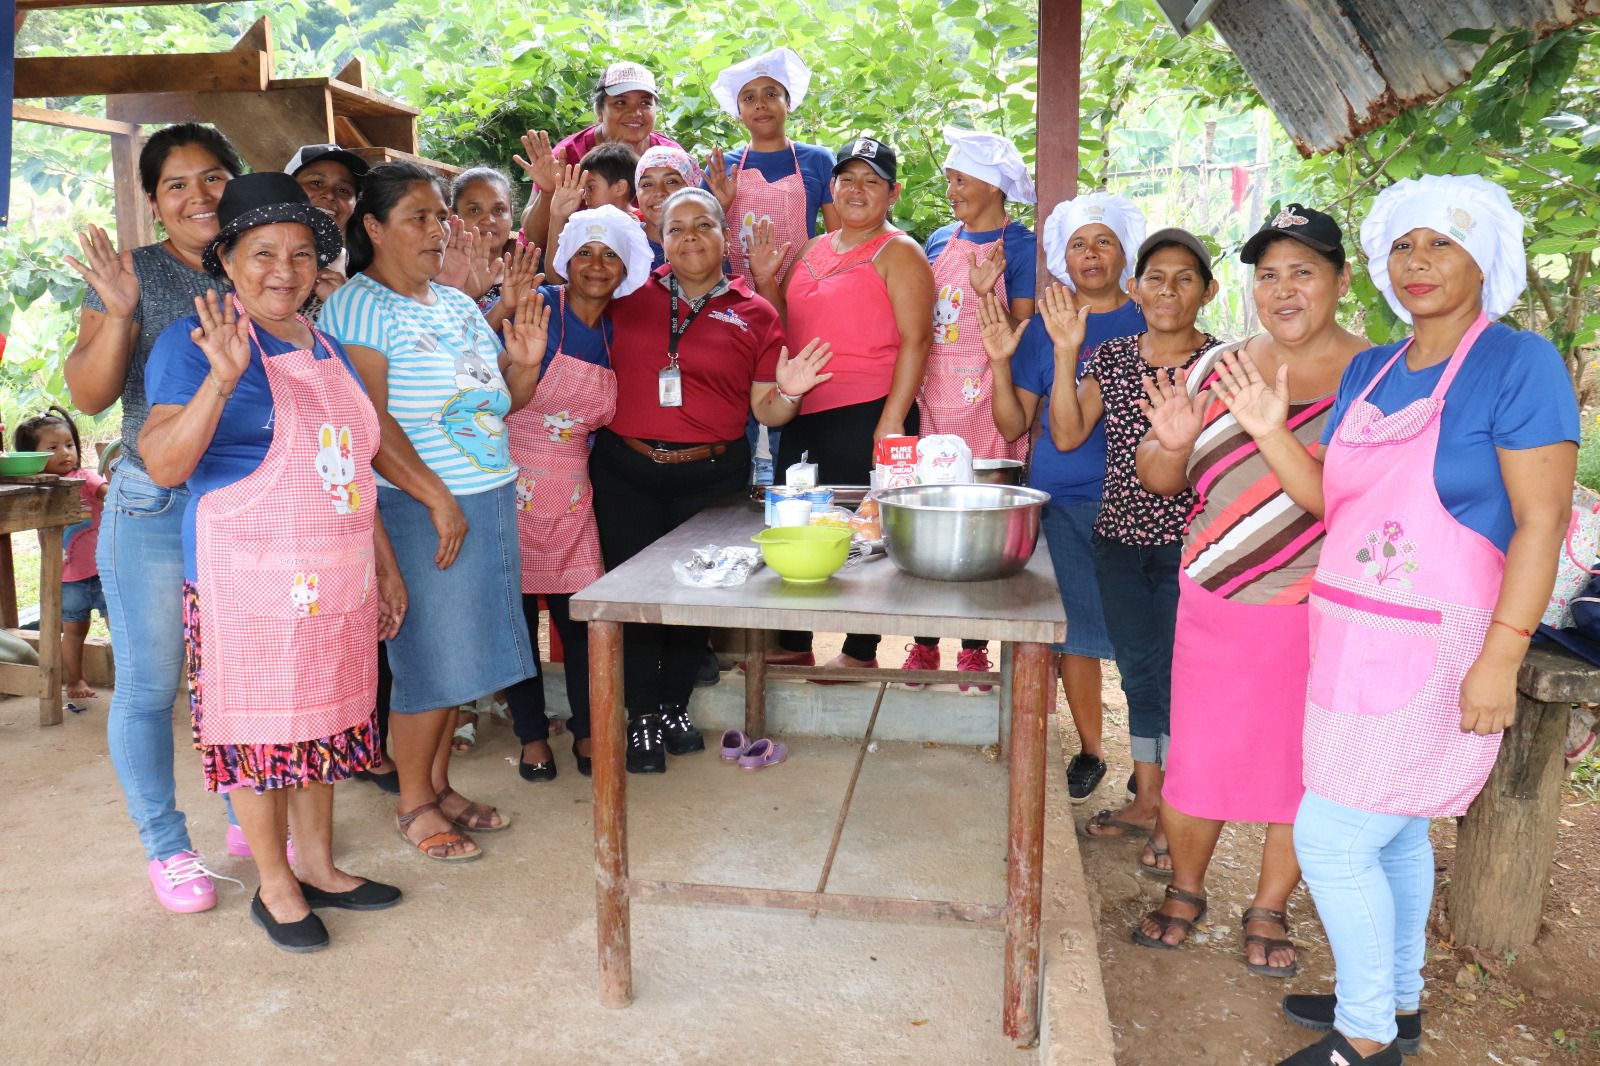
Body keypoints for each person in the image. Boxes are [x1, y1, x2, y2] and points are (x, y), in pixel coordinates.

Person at [1213, 176, 1578, 1066]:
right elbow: (1331, 501)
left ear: (1484, 256)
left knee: (1331, 837)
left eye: (1441, 244)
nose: (1417, 263)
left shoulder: (1517, 364)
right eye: (1403, 246)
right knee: (1398, 827)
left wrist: (1501, 658)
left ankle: (1368, 1035)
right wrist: (1268, 429)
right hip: (1349, 635)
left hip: (1443, 641)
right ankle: (1401, 1000)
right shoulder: (1374, 368)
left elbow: (1542, 522)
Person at [139, 172, 406, 950]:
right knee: (259, 736)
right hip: (247, 581)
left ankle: (320, 864)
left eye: (298, 254)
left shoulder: (324, 343)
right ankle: (277, 883)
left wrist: (384, 565)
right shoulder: (194, 342)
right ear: (227, 259)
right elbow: (164, 463)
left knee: (322, 722)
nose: (281, 270)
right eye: (262, 254)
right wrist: (221, 382)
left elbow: (355, 466)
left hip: (338, 572)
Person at [1128, 205, 1368, 977]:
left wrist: (1273, 430)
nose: (1284, 290)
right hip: (1213, 599)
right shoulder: (1217, 366)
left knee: (1300, 766)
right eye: (1269, 274)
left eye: (1304, 271)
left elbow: (1347, 503)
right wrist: (1167, 447)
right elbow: (1161, 481)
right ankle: (1187, 886)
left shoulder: (1376, 377)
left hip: (1320, 608)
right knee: (1199, 756)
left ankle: (1269, 906)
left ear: (1340, 280)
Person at [320, 161, 549, 861]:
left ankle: (441, 784)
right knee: (427, 660)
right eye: (417, 217)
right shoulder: (357, 306)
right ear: (373, 228)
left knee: (462, 657)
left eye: (439, 216)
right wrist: (435, 496)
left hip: (485, 499)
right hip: (417, 508)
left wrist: (527, 362)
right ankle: (415, 804)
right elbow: (370, 425)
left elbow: (496, 404)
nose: (436, 229)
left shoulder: (451, 304)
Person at [63, 121, 243, 912]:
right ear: (152, 202)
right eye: (177, 184)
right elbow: (91, 395)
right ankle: (168, 848)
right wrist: (122, 313)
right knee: (148, 685)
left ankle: (250, 807)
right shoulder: (127, 274)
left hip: (245, 501)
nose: (199, 195)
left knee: (237, 676)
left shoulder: (267, 261)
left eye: (213, 178)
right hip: (156, 503)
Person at [593, 187, 834, 772]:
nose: (690, 236)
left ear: (727, 239)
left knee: (692, 598)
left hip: (710, 475)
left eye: (704, 224)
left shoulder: (756, 312)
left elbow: (768, 411)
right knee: (636, 597)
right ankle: (642, 716)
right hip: (627, 470)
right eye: (677, 228)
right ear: (659, 239)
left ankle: (674, 704)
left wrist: (792, 391)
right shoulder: (626, 297)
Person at [1033, 228, 1221, 874]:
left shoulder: (1221, 364)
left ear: (1207, 291)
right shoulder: (1111, 357)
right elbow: (1065, 432)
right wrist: (1064, 354)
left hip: (1191, 548)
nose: (1168, 290)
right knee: (1139, 672)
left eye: (1184, 278)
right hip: (1116, 537)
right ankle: (1148, 797)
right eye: (1156, 278)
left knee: (1182, 681)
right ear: (1136, 289)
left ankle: (1179, 809)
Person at [985, 192, 1146, 803]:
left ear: (1125, 251)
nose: (1091, 254)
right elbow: (1010, 426)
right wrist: (1002, 362)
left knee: (1140, 636)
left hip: (1136, 503)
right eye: (1079, 243)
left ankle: (1147, 755)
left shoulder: (1147, 321)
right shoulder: (1042, 327)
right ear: (1062, 255)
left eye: (1103, 241)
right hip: (1061, 501)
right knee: (1074, 633)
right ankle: (1091, 750)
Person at [752, 137, 934, 672]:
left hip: (873, 410)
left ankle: (860, 652)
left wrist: (893, 421)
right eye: (847, 179)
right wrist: (766, 281)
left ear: (893, 193)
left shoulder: (900, 251)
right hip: (806, 414)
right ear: (830, 188)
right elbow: (785, 317)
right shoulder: (811, 249)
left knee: (872, 533)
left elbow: (917, 340)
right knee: (798, 524)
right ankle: (793, 642)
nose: (857, 190)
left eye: (871, 181)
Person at [501, 205, 653, 780]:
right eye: (584, 253)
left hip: (572, 495)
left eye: (609, 254)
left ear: (625, 266)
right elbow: (490, 394)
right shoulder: (541, 308)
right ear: (566, 258)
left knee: (580, 622)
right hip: (509, 483)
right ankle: (532, 736)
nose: (595, 265)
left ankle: (590, 731)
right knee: (515, 621)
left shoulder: (622, 329)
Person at [902, 127, 1038, 690]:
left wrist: (988, 293)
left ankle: (976, 647)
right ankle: (926, 642)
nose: (952, 187)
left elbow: (1021, 330)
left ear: (993, 185)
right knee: (932, 512)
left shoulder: (1022, 247)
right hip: (936, 394)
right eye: (952, 179)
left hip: (988, 394)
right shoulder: (939, 239)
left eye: (960, 179)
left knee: (981, 522)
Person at [706, 47, 838, 287]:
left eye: (771, 94)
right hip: (736, 297)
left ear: (788, 103)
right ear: (739, 113)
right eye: (748, 98)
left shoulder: (819, 159)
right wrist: (722, 205)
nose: (760, 104)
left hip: (801, 290)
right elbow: (702, 237)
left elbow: (840, 239)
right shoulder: (721, 167)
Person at [514, 61, 681, 239]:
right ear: (600, 111)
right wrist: (549, 193)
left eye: (645, 103)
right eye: (621, 103)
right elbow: (533, 238)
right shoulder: (567, 156)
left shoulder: (671, 157)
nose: (635, 113)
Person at [13, 406, 108, 703]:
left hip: (105, 571)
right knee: (74, 629)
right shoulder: (37, 486)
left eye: (69, 445)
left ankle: (130, 675)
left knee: (118, 625)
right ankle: (75, 678)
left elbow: (110, 492)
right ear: (33, 457)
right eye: (52, 448)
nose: (66, 453)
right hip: (69, 578)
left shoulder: (85, 478)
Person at [285, 143, 369, 314]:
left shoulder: (363, 270)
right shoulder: (255, 257)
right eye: (316, 182)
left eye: (343, 190)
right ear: (286, 188)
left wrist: (344, 306)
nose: (330, 194)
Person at [544, 143, 640, 278]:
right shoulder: (584, 225)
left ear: (620, 188)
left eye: (590, 187)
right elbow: (556, 278)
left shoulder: (646, 226)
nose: (584, 195)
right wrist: (557, 217)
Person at [450, 165, 519, 309]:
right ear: (453, 216)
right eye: (474, 210)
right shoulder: (435, 281)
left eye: (499, 210)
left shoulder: (523, 283)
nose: (488, 220)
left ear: (512, 215)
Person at [636, 146, 700, 268]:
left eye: (671, 182)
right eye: (647, 184)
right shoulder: (624, 241)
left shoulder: (705, 243)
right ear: (637, 193)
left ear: (691, 187)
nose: (659, 192)